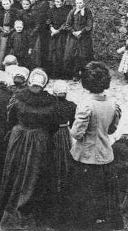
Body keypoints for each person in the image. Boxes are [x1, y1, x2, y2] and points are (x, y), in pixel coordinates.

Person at [0, 68, 59, 229]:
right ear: (44, 84)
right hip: (40, 140)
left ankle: (9, 212)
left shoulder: (18, 96)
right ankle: (29, 215)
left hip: (18, 138)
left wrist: (18, 129)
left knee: (14, 171)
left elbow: (10, 118)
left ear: (30, 80)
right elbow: (54, 126)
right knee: (34, 175)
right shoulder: (51, 102)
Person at [68, 61, 123, 229]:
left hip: (85, 156)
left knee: (83, 195)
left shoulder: (86, 105)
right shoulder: (113, 105)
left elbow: (77, 133)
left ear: (86, 83)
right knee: (102, 194)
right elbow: (112, 130)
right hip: (105, 155)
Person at [51, 80, 77, 222]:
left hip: (54, 132)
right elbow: (73, 123)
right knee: (65, 156)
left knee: (54, 156)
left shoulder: (50, 104)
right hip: (64, 132)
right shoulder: (71, 105)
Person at [63, 0, 94, 81]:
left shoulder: (88, 12)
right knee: (72, 55)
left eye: (80, 3)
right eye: (77, 3)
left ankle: (85, 74)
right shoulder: (73, 11)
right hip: (73, 37)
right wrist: (73, 32)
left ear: (84, 3)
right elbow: (67, 24)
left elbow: (89, 26)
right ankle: (75, 74)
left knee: (84, 55)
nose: (79, 5)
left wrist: (81, 32)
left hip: (84, 37)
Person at [48, 0, 72, 78]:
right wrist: (52, 29)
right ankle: (53, 73)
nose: (56, 3)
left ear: (63, 2)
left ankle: (61, 73)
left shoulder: (66, 11)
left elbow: (66, 23)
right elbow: (48, 20)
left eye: (58, 2)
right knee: (52, 52)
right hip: (53, 33)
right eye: (55, 2)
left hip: (62, 35)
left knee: (60, 52)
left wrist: (58, 31)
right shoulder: (52, 10)